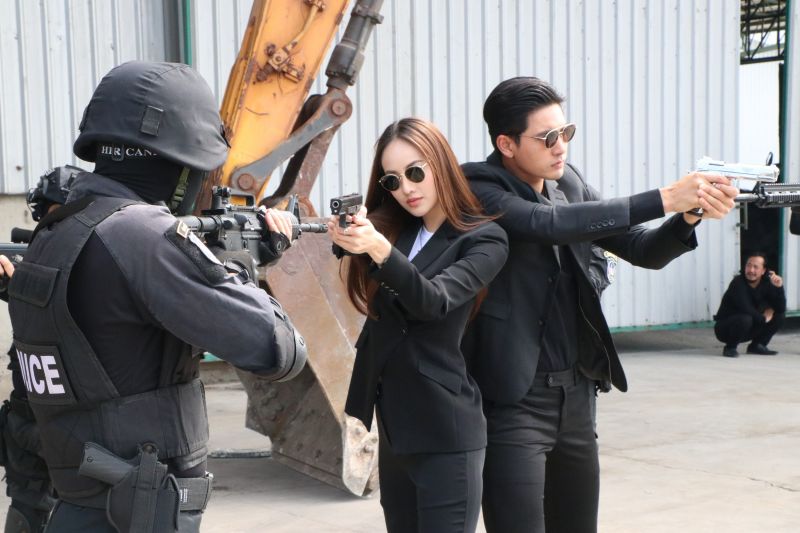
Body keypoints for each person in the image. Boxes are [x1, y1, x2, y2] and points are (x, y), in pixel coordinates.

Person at [5, 61, 307, 532]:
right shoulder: (143, 237)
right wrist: (241, 268)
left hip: (79, 504)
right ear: (181, 164)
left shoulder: (57, 230)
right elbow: (279, 350)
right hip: (134, 510)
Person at [460, 76, 739, 533]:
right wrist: (666, 198)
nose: (561, 147)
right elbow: (547, 224)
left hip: (576, 395)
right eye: (547, 138)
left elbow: (642, 249)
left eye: (565, 132)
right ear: (506, 144)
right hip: (513, 400)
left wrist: (688, 216)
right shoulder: (477, 186)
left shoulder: (567, 182)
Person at [330, 117, 508, 533]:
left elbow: (434, 301)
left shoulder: (484, 239)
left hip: (447, 431)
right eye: (392, 181)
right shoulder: (399, 231)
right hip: (396, 428)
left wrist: (379, 249)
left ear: (441, 163)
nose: (406, 189)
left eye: (415, 172)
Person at [0, 165, 81, 533]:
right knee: (27, 516)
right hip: (28, 422)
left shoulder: (100, 260)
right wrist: (13, 287)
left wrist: (25, 286)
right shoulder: (35, 260)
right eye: (50, 214)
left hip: (78, 425)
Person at [713, 252, 785, 357]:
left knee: (779, 315)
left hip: (751, 324)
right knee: (745, 318)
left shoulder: (767, 283)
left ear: (763, 271)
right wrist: (764, 319)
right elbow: (746, 308)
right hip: (726, 328)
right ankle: (730, 347)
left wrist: (779, 288)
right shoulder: (738, 282)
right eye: (748, 266)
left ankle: (757, 345)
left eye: (756, 267)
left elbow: (780, 308)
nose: (751, 270)